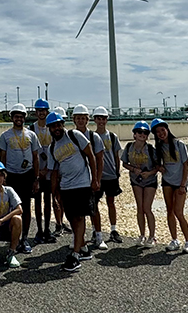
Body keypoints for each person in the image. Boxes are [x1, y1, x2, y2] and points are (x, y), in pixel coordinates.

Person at [46, 112, 99, 272]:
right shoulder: (52, 148)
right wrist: (54, 193)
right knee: (72, 218)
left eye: (58, 124)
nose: (56, 128)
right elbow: (54, 172)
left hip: (82, 184)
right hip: (66, 187)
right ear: (49, 128)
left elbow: (91, 155)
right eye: (53, 126)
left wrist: (95, 179)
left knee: (80, 217)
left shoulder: (74, 135)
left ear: (62, 124)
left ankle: (75, 255)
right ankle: (83, 248)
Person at [0, 103, 40, 254]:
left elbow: (36, 158)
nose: (19, 119)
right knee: (11, 208)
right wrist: (2, 178)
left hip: (27, 175)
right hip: (11, 175)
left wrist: (36, 178)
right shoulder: (5, 136)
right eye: (16, 116)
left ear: (24, 118)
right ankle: (12, 238)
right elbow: (2, 157)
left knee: (27, 208)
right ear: (12, 118)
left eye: (21, 116)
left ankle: (24, 239)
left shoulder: (31, 135)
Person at [151, 118, 188, 254]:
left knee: (178, 212)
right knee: (169, 210)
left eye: (162, 130)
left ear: (167, 129)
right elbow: (156, 163)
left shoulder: (179, 144)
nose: (161, 133)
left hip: (179, 182)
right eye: (158, 132)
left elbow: (186, 165)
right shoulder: (159, 148)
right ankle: (174, 239)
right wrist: (159, 167)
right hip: (167, 181)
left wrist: (183, 185)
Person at [71, 104, 107, 249]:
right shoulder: (70, 136)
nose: (81, 121)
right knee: (76, 211)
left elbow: (100, 159)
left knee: (94, 208)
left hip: (90, 179)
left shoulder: (94, 137)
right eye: (78, 118)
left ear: (87, 120)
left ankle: (98, 236)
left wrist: (97, 179)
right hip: (75, 180)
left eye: (83, 118)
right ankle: (78, 238)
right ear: (74, 119)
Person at [121, 121, 159, 248]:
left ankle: (152, 236)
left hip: (150, 181)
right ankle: (142, 235)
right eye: (139, 132)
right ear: (135, 134)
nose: (142, 134)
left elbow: (157, 167)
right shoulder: (129, 147)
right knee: (140, 208)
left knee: (147, 208)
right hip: (136, 180)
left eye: (145, 133)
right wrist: (133, 169)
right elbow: (124, 163)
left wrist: (149, 173)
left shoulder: (150, 149)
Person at [92, 106, 124, 245]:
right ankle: (95, 230)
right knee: (94, 204)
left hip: (111, 174)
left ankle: (113, 229)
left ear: (106, 120)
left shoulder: (112, 136)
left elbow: (116, 155)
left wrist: (117, 171)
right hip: (97, 176)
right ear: (94, 120)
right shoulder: (91, 137)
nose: (101, 121)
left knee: (111, 202)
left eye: (103, 118)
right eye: (99, 118)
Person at [28, 98, 58, 244]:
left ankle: (47, 229)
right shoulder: (31, 129)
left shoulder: (51, 127)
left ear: (47, 112)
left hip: (50, 170)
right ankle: (39, 230)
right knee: (38, 202)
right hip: (37, 172)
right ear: (36, 112)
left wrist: (49, 169)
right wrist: (37, 171)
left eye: (43, 110)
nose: (41, 113)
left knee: (48, 201)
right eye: (39, 110)